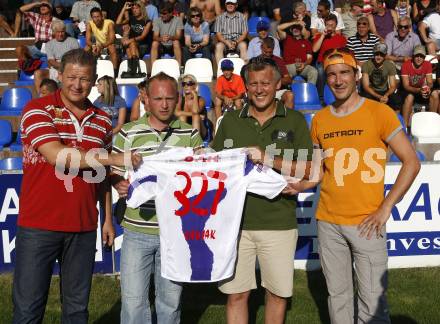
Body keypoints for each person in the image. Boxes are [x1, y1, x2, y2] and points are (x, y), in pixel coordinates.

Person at [291, 47, 420, 324]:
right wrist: (296, 186)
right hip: (328, 222)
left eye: (344, 73)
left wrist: (386, 208)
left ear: (356, 74)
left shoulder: (380, 113)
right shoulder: (320, 120)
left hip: (367, 222)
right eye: (332, 75)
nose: (338, 80)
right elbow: (317, 172)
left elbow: (412, 162)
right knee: (337, 298)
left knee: (373, 302)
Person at [12, 48, 140, 324]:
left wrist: (107, 217)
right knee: (28, 310)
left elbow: (101, 173)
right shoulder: (37, 109)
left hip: (82, 227)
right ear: (60, 75)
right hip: (39, 225)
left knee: (77, 309)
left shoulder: (102, 120)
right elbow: (59, 156)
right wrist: (119, 158)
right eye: (71, 77)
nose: (77, 85)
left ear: (94, 80)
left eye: (84, 79)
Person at [212, 56, 313, 324]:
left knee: (277, 296)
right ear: (245, 85)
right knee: (235, 295)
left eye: (265, 83)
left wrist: (266, 158)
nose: (259, 89)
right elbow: (215, 168)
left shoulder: (295, 121)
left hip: (278, 223)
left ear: (278, 83)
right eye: (253, 83)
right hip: (235, 226)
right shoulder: (230, 121)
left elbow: (308, 170)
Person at [111, 72, 203, 324]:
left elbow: (200, 178)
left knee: (170, 303)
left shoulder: (190, 135)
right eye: (158, 98)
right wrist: (117, 181)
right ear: (146, 100)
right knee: (132, 304)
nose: (164, 104)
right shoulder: (128, 133)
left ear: (177, 100)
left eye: (169, 98)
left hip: (175, 232)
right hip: (137, 230)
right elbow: (113, 170)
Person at [34, 20, 80, 93]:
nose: (60, 34)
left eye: (62, 31)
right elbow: (51, 61)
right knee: (38, 73)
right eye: (58, 32)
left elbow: (76, 58)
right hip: (55, 68)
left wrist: (64, 67)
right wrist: (60, 67)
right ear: (54, 32)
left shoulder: (73, 41)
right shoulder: (49, 44)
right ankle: (40, 98)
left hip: (70, 67)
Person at [401, 45, 438, 127]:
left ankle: (433, 122)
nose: (419, 58)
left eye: (421, 56)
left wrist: (427, 88)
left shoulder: (427, 64)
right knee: (409, 97)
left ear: (424, 57)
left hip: (422, 88)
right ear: (413, 56)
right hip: (410, 90)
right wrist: (419, 90)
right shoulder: (406, 65)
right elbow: (406, 86)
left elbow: (430, 82)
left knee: (435, 94)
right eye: (417, 56)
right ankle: (405, 126)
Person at [15, 1, 59, 72]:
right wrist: (36, 3)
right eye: (41, 5)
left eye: (45, 5)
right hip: (37, 48)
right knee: (19, 49)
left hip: (50, 49)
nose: (42, 6)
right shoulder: (37, 17)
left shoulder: (56, 21)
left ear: (50, 8)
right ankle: (29, 69)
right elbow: (20, 10)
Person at [312, 14, 347, 95]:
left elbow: (344, 53)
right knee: (320, 72)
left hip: (336, 62)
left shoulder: (341, 38)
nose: (330, 27)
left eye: (332, 25)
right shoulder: (320, 36)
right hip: (322, 62)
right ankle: (320, 96)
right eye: (328, 25)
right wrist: (323, 36)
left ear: (336, 25)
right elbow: (314, 50)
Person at [361, 42, 401, 110]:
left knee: (396, 100)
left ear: (385, 56)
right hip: (371, 90)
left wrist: (386, 95)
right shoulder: (366, 65)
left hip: (384, 91)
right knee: (365, 97)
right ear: (373, 54)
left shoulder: (390, 65)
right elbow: (366, 86)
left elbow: (393, 86)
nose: (378, 57)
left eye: (381, 55)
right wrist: (379, 97)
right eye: (377, 54)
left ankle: (395, 118)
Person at [259, 37, 295, 109]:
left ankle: (289, 119)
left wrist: (276, 81)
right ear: (261, 48)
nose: (268, 54)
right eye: (265, 52)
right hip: (261, 92)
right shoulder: (255, 62)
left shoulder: (279, 61)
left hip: (277, 92)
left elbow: (288, 79)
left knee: (290, 95)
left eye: (270, 52)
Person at [176, 74, 211, 139]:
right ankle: (184, 140)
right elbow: (177, 113)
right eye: (184, 84)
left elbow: (195, 111)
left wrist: (195, 95)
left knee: (196, 117)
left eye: (189, 83)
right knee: (183, 116)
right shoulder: (180, 99)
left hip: (200, 131)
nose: (186, 86)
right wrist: (194, 114)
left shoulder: (200, 99)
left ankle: (195, 142)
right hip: (186, 129)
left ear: (195, 85)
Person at [151, 2, 184, 66]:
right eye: (160, 13)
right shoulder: (157, 21)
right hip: (162, 45)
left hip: (173, 44)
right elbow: (155, 36)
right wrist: (161, 38)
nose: (161, 15)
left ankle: (179, 68)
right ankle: (153, 69)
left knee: (176, 42)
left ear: (171, 13)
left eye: (164, 13)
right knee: (154, 43)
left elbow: (179, 36)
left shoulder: (178, 20)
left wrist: (170, 37)